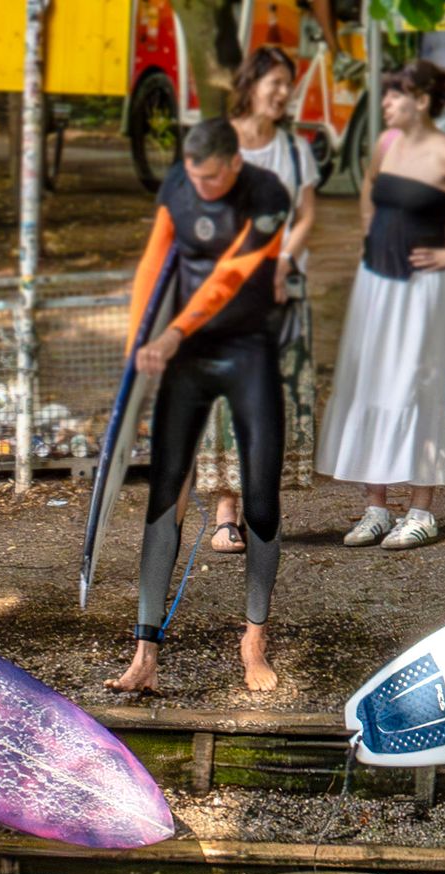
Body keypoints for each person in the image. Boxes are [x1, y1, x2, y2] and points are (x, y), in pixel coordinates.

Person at [110, 120, 297, 699]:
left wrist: (173, 332)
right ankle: (144, 654)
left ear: (234, 165)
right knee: (165, 487)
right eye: (194, 177)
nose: (202, 187)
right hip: (186, 357)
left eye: (211, 177)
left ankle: (253, 641)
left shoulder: (268, 195)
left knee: (261, 496)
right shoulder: (179, 185)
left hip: (248, 350)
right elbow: (154, 263)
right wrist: (137, 346)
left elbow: (231, 275)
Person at [319, 63, 445, 547]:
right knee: (371, 383)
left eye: (393, 96)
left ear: (422, 101)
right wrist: (371, 232)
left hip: (421, 288)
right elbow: (369, 187)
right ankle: (376, 506)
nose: (384, 105)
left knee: (414, 385)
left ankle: (421, 510)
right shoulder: (386, 143)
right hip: (375, 281)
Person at [199, 49, 322, 561]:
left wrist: (284, 260)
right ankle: (226, 513)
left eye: (287, 85)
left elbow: (308, 215)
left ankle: (260, 507)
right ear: (250, 84)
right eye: (274, 82)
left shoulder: (297, 150)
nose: (281, 93)